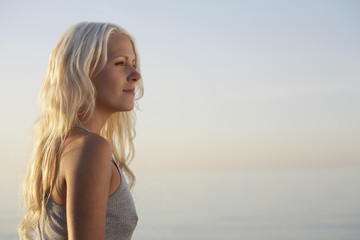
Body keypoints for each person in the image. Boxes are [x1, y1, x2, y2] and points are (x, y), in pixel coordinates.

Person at [18, 22, 144, 240]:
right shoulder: (91, 148)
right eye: (120, 63)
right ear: (83, 71)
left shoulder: (59, 146)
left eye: (133, 63)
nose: (135, 74)